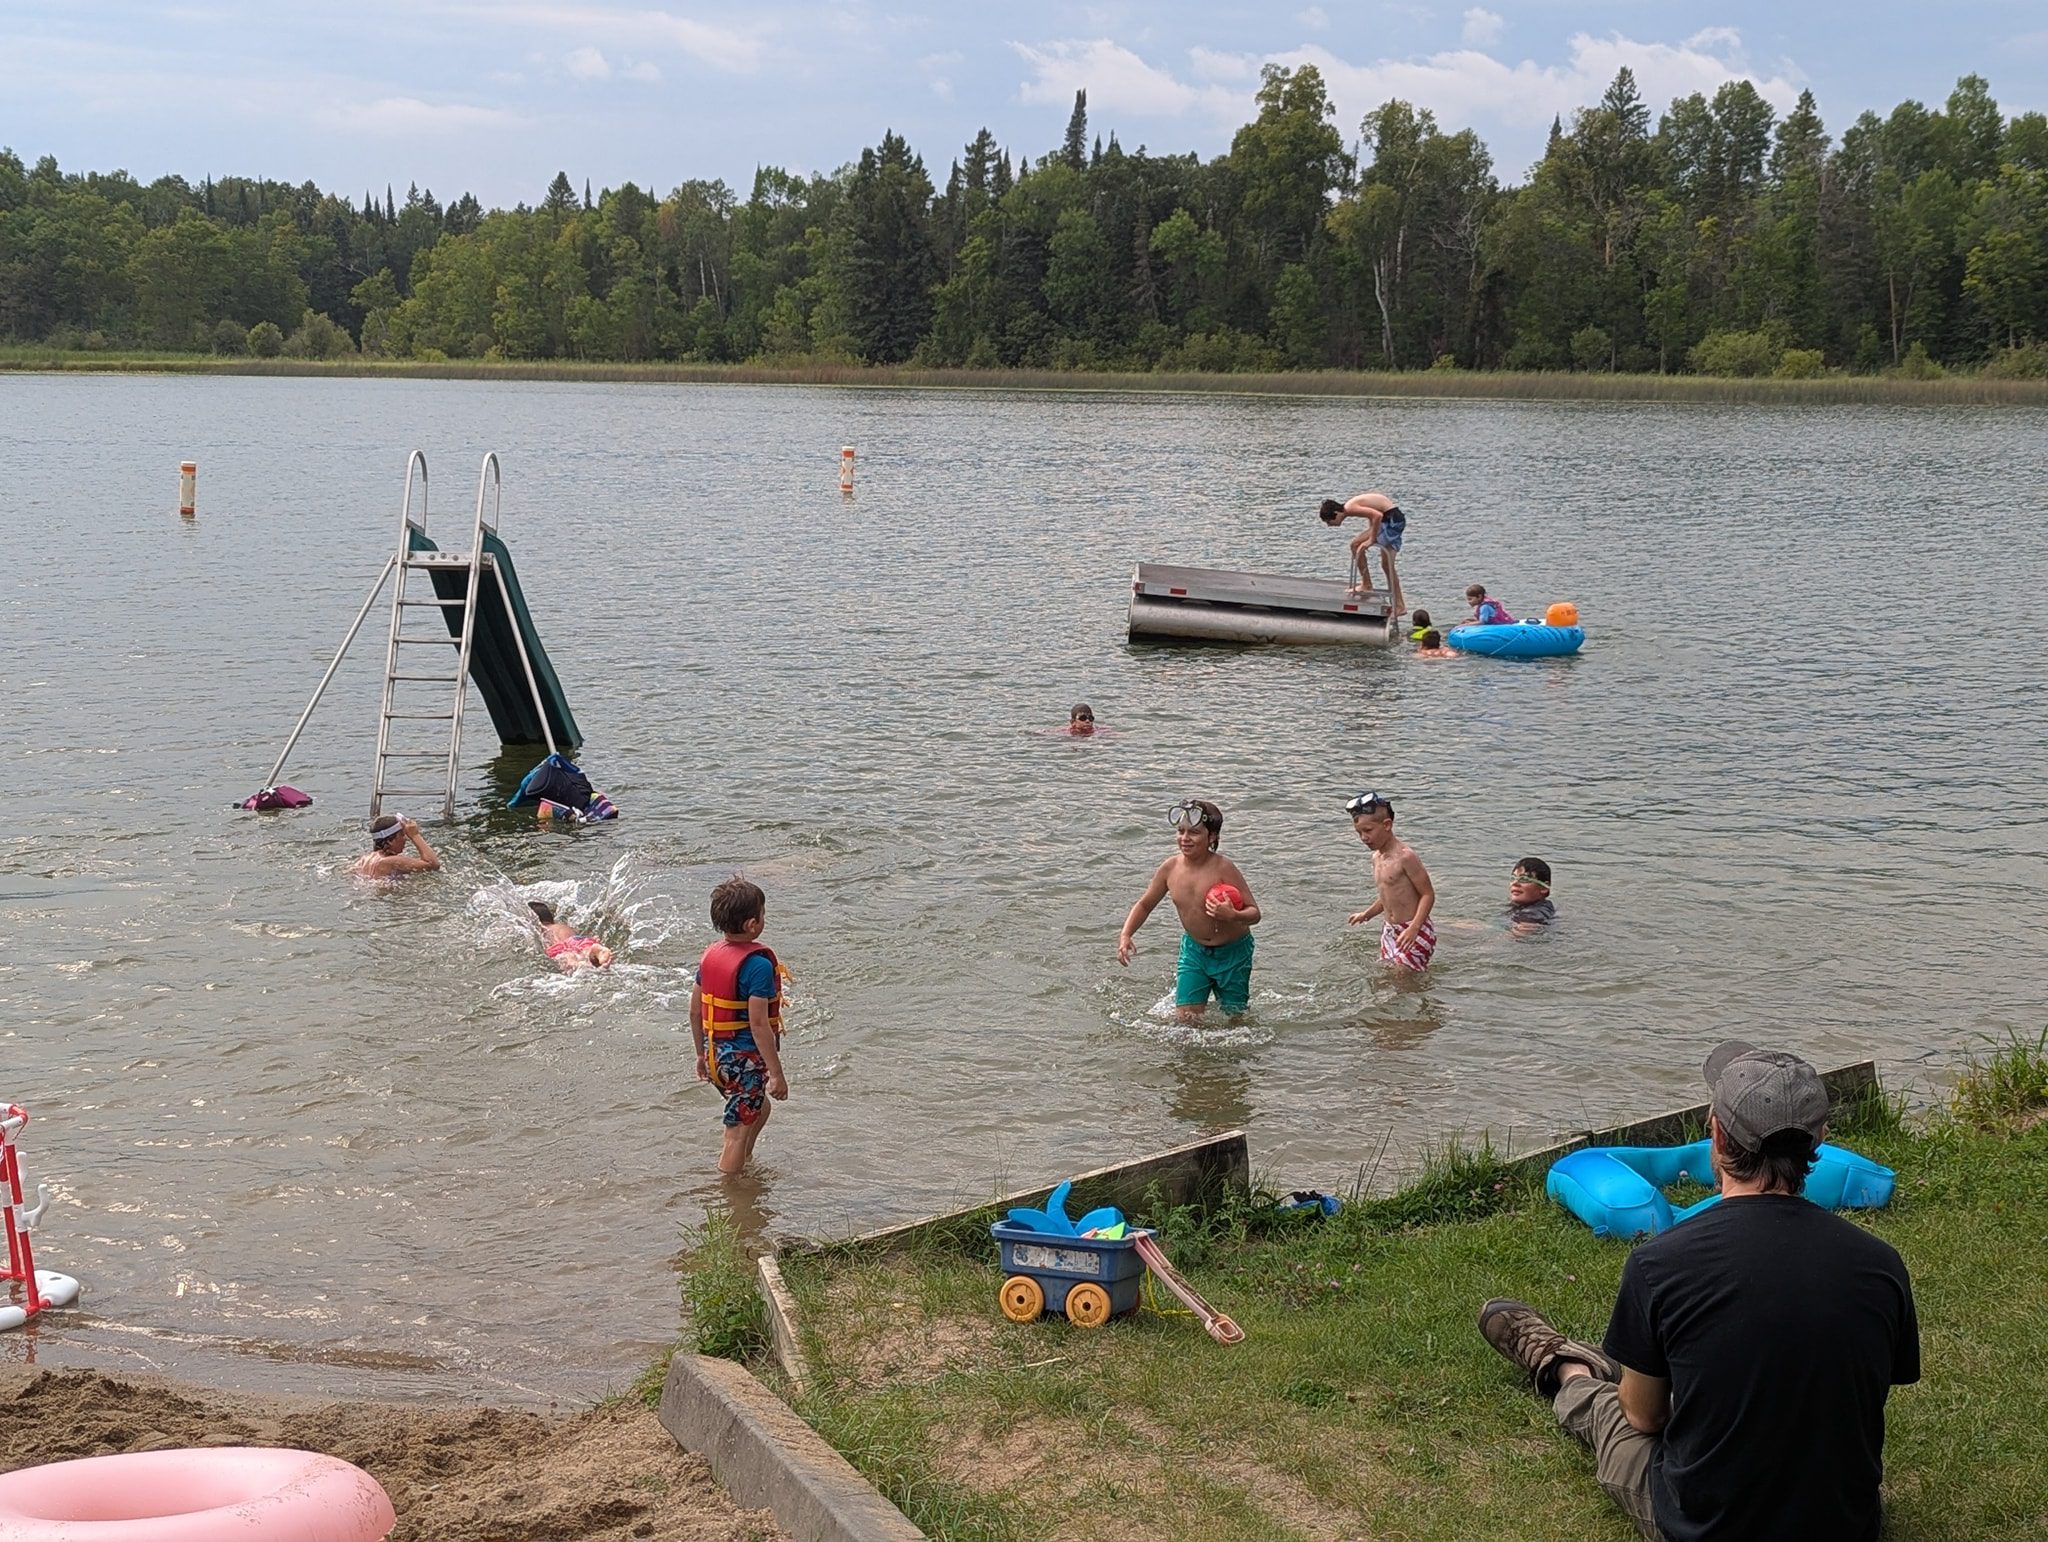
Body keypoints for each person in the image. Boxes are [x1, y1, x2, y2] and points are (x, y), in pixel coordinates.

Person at [1478, 1041, 1919, 1542]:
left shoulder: (1661, 1264)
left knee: (1612, 1415)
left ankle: (1565, 1366)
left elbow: (1645, 1417)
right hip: (1844, 1526)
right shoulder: (1881, 1265)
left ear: (1715, 1131)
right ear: (1821, 1138)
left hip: (1706, 1528)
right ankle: (1626, 1360)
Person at [1117, 799, 1261, 1022]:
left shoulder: (1223, 867)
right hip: (1194, 952)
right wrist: (1126, 935)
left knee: (1236, 1018)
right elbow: (1145, 904)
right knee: (1187, 1020)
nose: (1185, 838)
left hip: (1233, 953)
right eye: (1180, 831)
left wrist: (1233, 915)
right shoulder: (1170, 868)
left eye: (1194, 832)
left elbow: (1255, 913)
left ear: (1211, 837)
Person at [689, 877, 790, 1175]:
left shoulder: (710, 956)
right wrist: (776, 1073)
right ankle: (729, 1195)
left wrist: (700, 1055)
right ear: (751, 924)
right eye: (762, 914)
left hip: (715, 1056)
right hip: (742, 1062)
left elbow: (695, 1011)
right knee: (736, 1132)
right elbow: (759, 1024)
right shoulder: (757, 966)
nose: (764, 919)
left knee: (758, 1110)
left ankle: (743, 1167)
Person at [1344, 793, 1436, 971]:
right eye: (1359, 833)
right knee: (1387, 979)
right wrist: (1366, 914)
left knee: (1401, 977)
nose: (1363, 837)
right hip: (1390, 931)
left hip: (1415, 930)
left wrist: (1414, 928)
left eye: (1368, 831)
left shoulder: (1405, 857)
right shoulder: (1376, 858)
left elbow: (1427, 894)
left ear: (1387, 825)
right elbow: (1388, 896)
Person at [1318, 492, 1407, 615]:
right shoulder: (1350, 506)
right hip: (1394, 519)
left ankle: (1367, 584)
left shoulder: (1350, 508)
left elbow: (1377, 515)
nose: (1329, 525)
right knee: (1387, 566)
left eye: (1329, 522)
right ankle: (1400, 606)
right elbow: (1373, 515)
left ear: (1336, 514)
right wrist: (1371, 533)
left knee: (1355, 545)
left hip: (1391, 520)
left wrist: (1371, 539)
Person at [528, 900, 614, 970]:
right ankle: (594, 951)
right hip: (578, 940)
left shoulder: (541, 929)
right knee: (585, 950)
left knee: (570, 961)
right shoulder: (563, 926)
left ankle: (587, 966)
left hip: (559, 947)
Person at [350, 812, 441, 878]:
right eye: (402, 835)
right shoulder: (391, 861)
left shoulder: (365, 859)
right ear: (390, 841)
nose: (405, 838)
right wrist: (415, 835)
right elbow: (433, 865)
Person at [1507, 857, 1556, 931]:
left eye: (1524, 879)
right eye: (1513, 878)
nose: (1515, 883)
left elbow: (1518, 935)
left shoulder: (1534, 914)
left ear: (1544, 888)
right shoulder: (1521, 906)